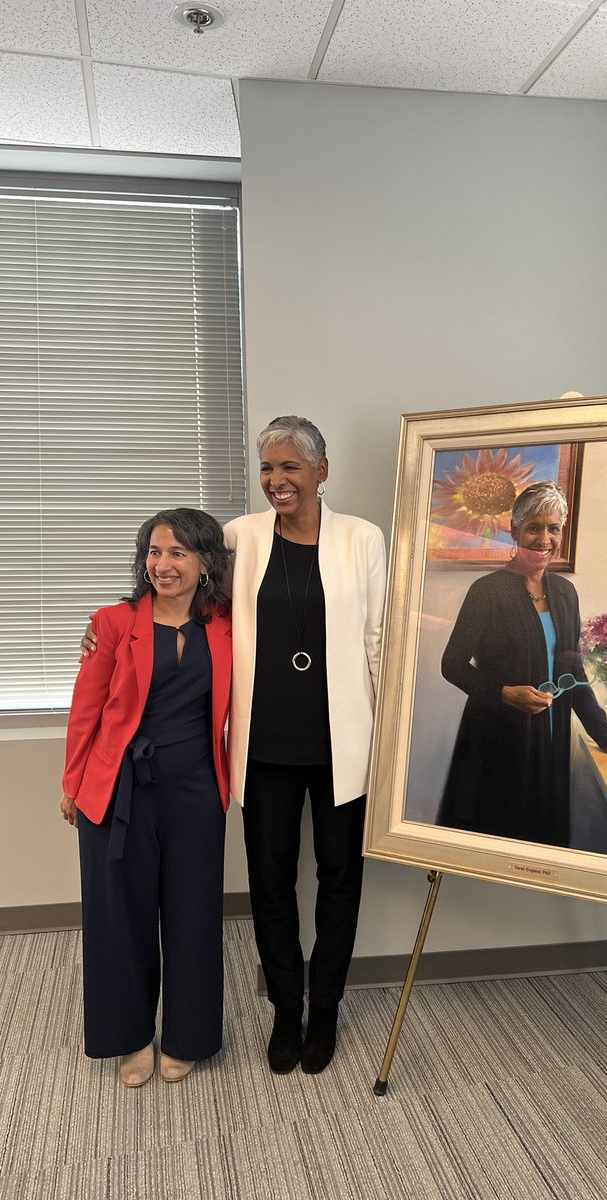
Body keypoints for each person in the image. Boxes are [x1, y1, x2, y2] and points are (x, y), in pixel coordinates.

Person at [224, 415, 386, 1075]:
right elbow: (181, 596)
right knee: (270, 881)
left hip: (343, 745)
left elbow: (378, 639)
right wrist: (112, 626)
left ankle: (326, 1009)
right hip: (264, 746)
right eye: (267, 468)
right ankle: (286, 1008)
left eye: (290, 466)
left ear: (321, 471)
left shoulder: (362, 538)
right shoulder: (239, 538)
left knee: (341, 879)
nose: (276, 480)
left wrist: (392, 738)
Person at [62, 508, 232, 1087]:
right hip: (119, 788)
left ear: (205, 562)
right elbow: (86, 709)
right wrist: (72, 784)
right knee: (118, 916)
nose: (163, 564)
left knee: (194, 913)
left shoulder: (227, 624)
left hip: (196, 790)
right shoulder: (111, 623)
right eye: (155, 552)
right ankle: (129, 1036)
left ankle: (189, 1036)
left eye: (178, 553)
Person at [436, 480, 607, 846]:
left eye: (553, 529)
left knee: (542, 848)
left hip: (551, 746)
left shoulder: (565, 593)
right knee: (495, 843)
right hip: (496, 745)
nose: (544, 539)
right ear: (515, 531)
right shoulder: (486, 592)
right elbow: (452, 665)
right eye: (534, 528)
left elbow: (574, 674)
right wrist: (504, 693)